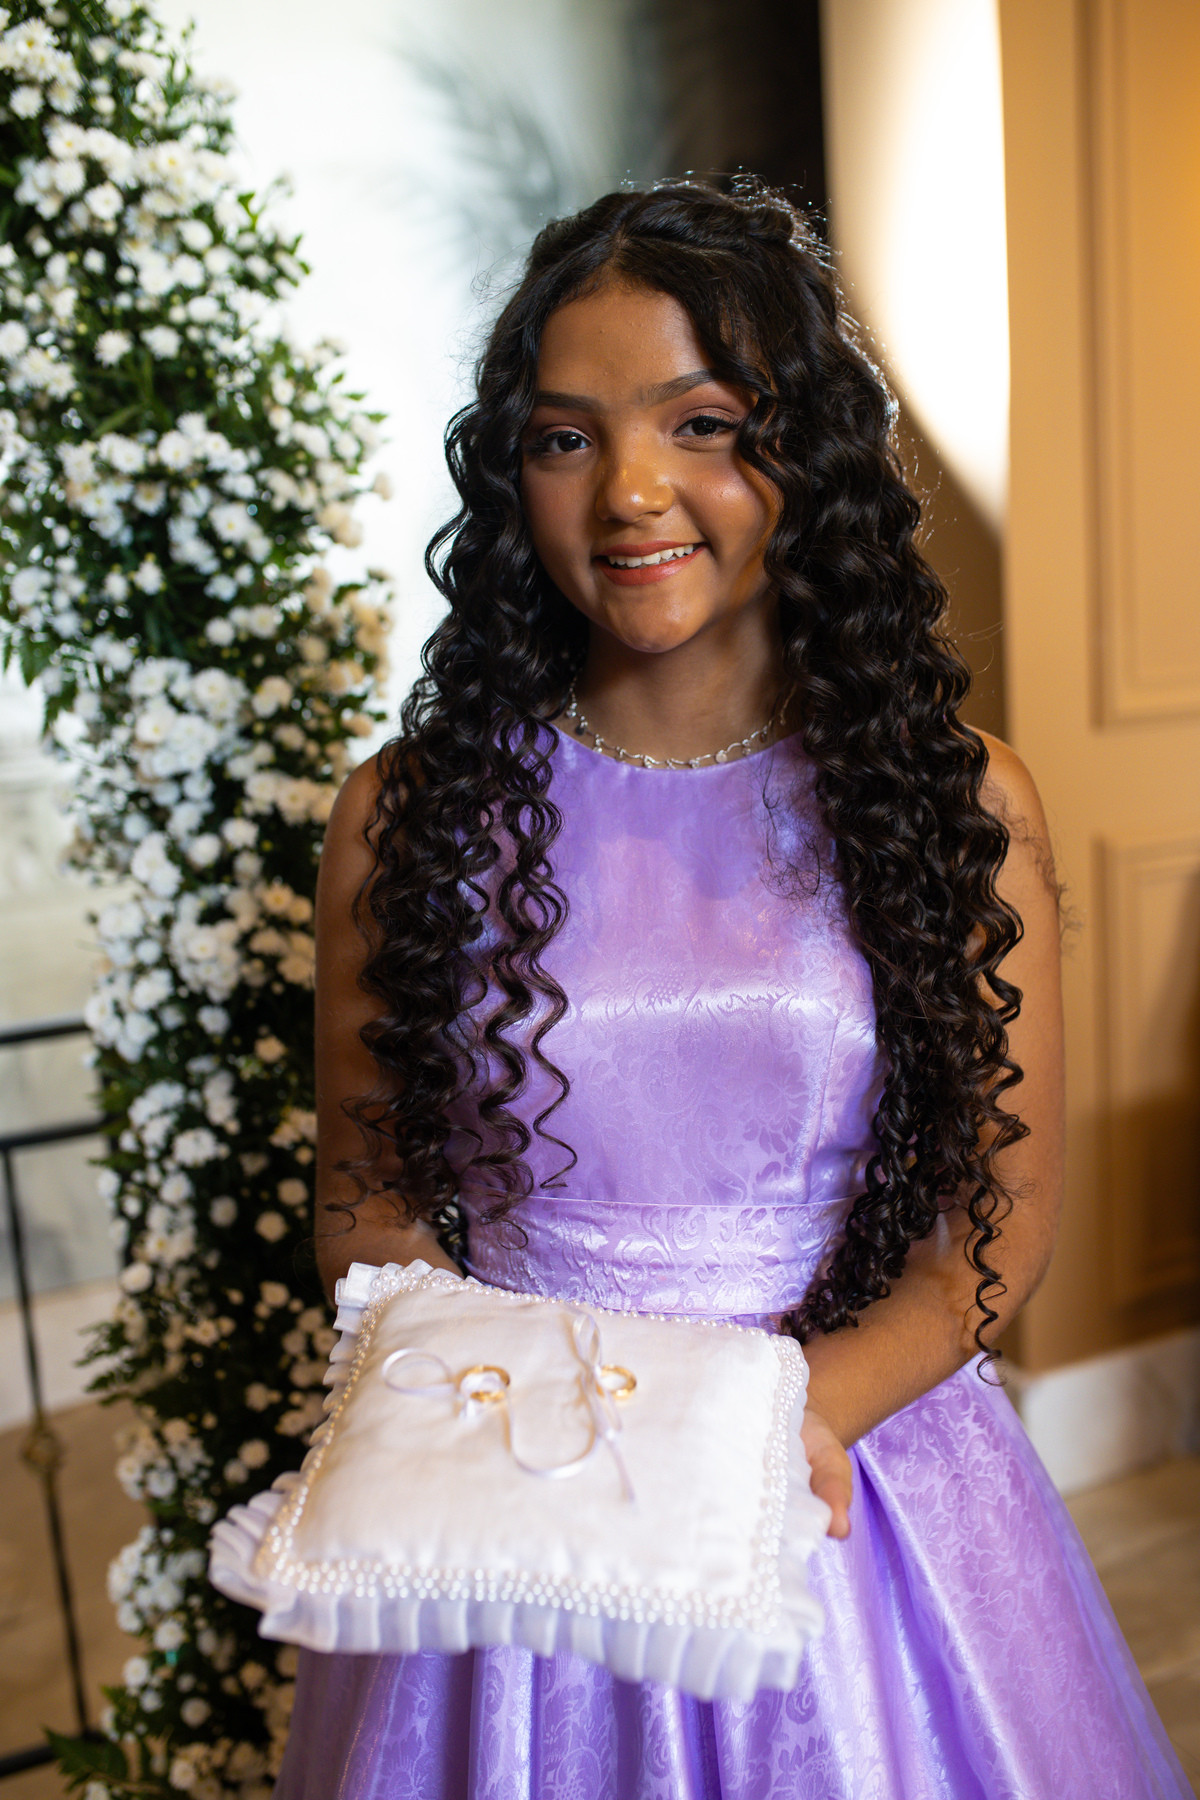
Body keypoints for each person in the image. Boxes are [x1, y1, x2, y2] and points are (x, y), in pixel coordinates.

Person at [273, 182, 1190, 1798]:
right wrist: (554, 1439)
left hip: (836, 1480)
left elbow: (998, 1213)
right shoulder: (405, 816)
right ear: (510, 478)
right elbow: (369, 1196)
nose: (631, 489)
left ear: (805, 450)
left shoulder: (953, 802)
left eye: (701, 423)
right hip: (520, 1503)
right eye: (565, 439)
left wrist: (760, 1430)